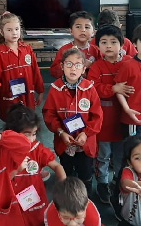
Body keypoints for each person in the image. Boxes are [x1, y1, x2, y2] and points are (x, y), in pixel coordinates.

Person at [43, 48, 103, 195]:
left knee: (85, 175)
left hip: (85, 143)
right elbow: (49, 115)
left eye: (78, 65)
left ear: (83, 69)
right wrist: (60, 132)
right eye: (69, 64)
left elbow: (97, 116)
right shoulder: (56, 89)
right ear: (62, 66)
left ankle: (86, 200)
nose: (73, 68)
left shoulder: (89, 89)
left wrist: (86, 133)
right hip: (65, 142)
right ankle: (69, 199)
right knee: (67, 174)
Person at [87, 25, 134, 203]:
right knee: (103, 155)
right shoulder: (97, 67)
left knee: (121, 154)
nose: (108, 46)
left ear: (122, 45)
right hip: (103, 120)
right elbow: (92, 88)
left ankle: (118, 181)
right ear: (97, 46)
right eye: (104, 42)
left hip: (124, 118)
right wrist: (113, 88)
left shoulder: (129, 62)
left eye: (113, 42)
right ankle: (102, 183)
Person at [5, 104, 67, 226]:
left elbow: (57, 166)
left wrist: (64, 188)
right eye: (27, 134)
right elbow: (0, 182)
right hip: (12, 202)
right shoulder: (3, 151)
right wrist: (16, 171)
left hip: (35, 203)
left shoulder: (37, 149)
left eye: (34, 134)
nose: (32, 139)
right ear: (12, 133)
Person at [0, 12, 45, 121]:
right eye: (9, 30)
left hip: (27, 97)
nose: (14, 32)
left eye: (16, 29)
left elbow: (35, 71)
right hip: (9, 98)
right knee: (12, 123)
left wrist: (41, 91)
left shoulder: (27, 49)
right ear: (1, 32)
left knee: (28, 121)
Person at [50, 11, 101, 79]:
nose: (83, 30)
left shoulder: (96, 50)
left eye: (87, 27)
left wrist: (91, 65)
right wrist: (69, 63)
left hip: (91, 85)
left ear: (93, 32)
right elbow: (54, 72)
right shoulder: (64, 50)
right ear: (71, 31)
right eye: (78, 27)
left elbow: (103, 69)